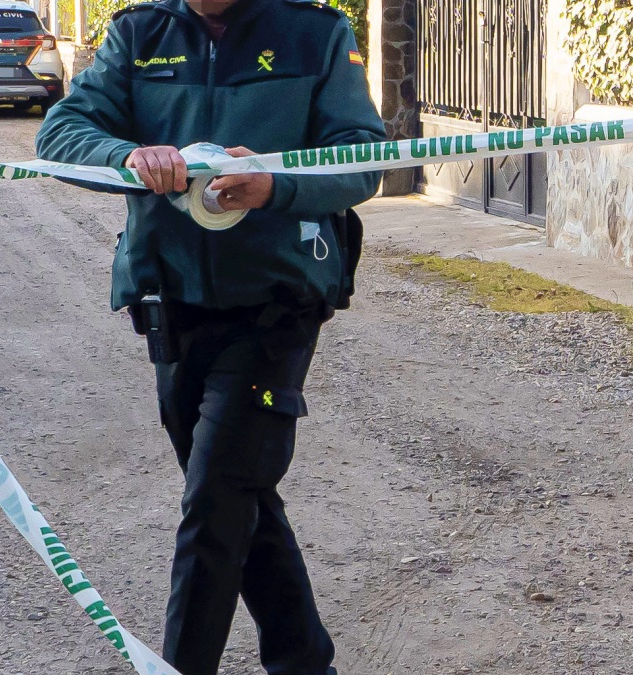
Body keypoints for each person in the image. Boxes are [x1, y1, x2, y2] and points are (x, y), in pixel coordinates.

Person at [35, 0, 386, 672]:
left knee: (214, 500)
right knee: (238, 494)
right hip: (172, 304)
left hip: (275, 305)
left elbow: (363, 159)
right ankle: (304, 659)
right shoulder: (139, 34)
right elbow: (61, 135)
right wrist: (130, 156)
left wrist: (275, 179)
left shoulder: (315, 33)